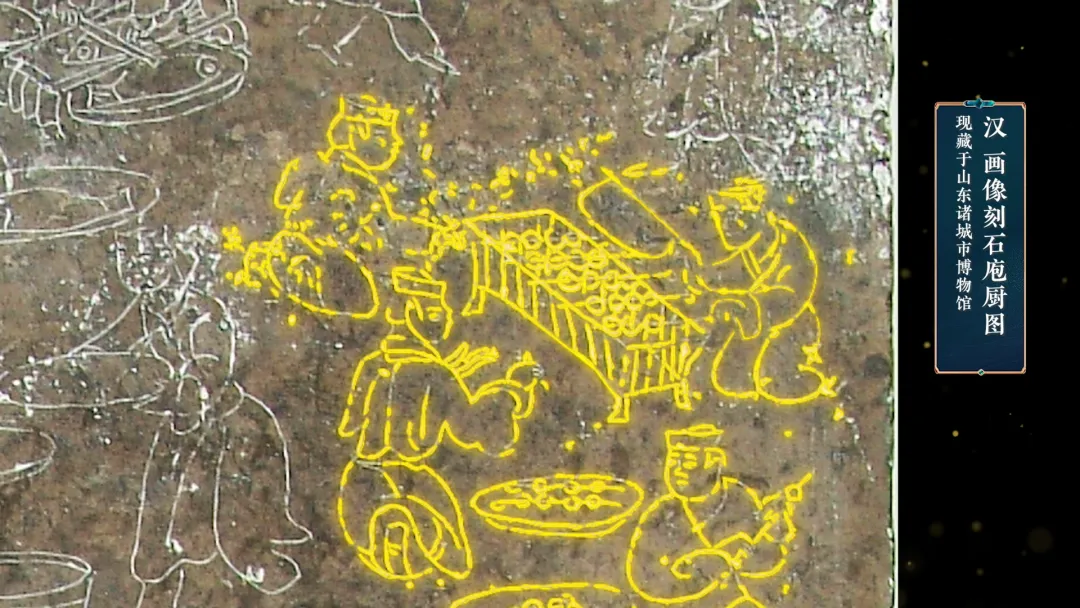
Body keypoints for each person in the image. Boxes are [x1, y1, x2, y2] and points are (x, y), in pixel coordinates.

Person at [625, 424, 811, 607]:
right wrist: (709, 564)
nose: (677, 470)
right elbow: (645, 580)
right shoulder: (662, 512)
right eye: (673, 462)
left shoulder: (740, 497)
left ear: (714, 463)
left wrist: (774, 534)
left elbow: (764, 560)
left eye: (688, 462)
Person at [701, 178, 838, 406]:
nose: (725, 225)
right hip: (759, 323)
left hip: (789, 327)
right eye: (719, 215)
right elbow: (724, 274)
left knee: (764, 380)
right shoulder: (754, 244)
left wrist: (746, 305)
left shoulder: (789, 244)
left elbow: (791, 295)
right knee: (729, 378)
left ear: (759, 211)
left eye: (735, 215)